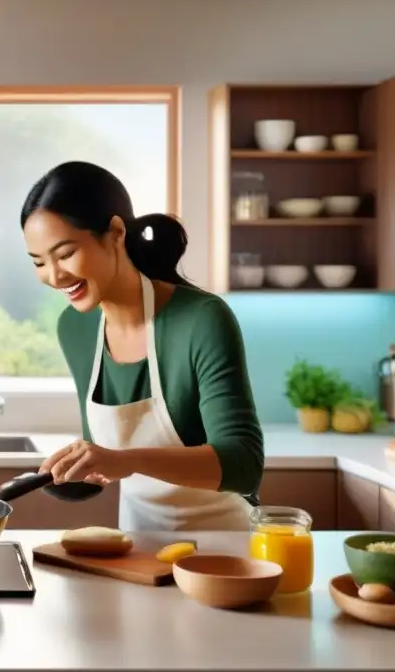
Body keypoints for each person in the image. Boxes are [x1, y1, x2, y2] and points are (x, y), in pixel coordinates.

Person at [20, 161, 264, 532]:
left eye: (66, 254)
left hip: (224, 548)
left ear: (116, 232)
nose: (54, 276)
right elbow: (108, 457)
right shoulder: (75, 327)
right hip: (138, 550)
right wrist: (73, 471)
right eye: (39, 262)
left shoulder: (202, 319)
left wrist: (126, 460)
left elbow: (243, 467)